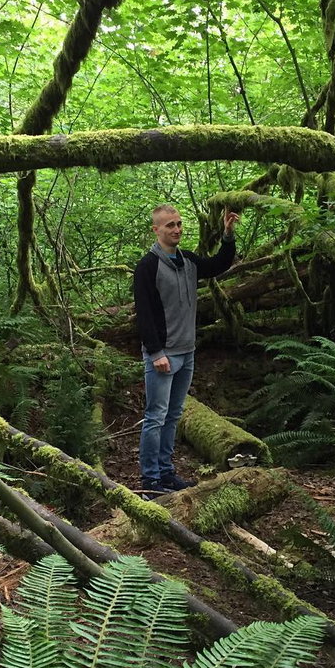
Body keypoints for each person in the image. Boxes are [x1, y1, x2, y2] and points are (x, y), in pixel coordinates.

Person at [133, 204, 240, 498]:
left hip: (187, 352)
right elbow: (143, 315)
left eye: (179, 224)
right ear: (156, 230)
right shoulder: (148, 267)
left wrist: (228, 234)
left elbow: (219, 264)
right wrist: (156, 354)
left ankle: (166, 473)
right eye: (170, 225)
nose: (177, 229)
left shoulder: (188, 261)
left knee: (173, 415)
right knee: (155, 416)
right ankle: (149, 481)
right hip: (163, 355)